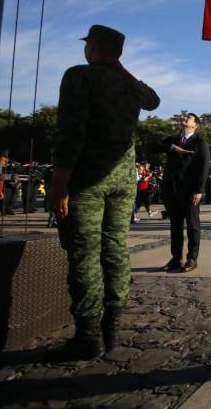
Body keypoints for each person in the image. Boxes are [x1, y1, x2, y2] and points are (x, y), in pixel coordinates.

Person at [48, 24, 160, 361]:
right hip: (123, 180)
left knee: (84, 253)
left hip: (87, 179)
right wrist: (120, 67)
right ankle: (111, 326)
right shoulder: (130, 84)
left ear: (93, 46)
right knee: (114, 248)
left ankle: (87, 334)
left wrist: (59, 183)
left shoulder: (79, 76)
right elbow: (153, 100)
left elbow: (71, 131)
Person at [159, 113, 211, 273]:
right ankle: (175, 258)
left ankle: (192, 258)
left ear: (195, 125)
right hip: (172, 189)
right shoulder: (173, 140)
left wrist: (199, 190)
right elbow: (153, 146)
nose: (184, 119)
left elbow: (204, 167)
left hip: (190, 191)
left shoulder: (199, 142)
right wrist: (171, 148)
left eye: (188, 118)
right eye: (183, 117)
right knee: (175, 226)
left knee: (192, 225)